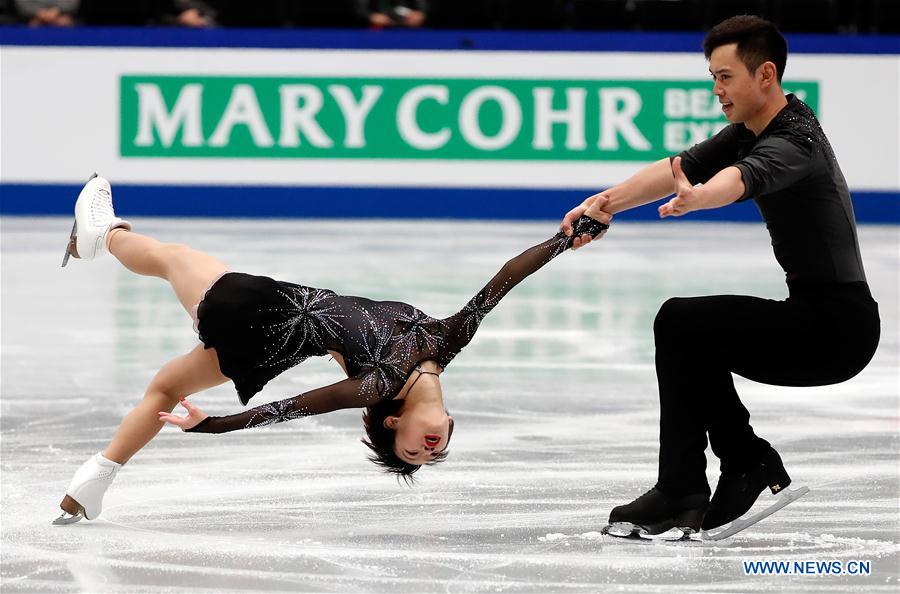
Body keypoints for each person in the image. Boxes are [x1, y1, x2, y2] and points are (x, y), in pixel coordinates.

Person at [54, 174, 609, 525]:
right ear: (452, 424)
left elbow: (296, 406)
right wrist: (566, 238)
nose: (430, 449)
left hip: (265, 312)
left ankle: (103, 233)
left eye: (416, 453)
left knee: (175, 259)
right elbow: (505, 280)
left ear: (393, 424)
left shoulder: (382, 384)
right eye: (435, 453)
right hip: (274, 340)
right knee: (166, 386)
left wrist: (213, 427)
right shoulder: (446, 341)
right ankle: (94, 482)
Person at [561, 15, 880, 538]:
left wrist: (700, 198)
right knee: (686, 330)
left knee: (683, 324)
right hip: (818, 316)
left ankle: (730, 467)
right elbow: (679, 167)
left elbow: (741, 178)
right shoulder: (751, 131)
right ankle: (694, 483)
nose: (716, 89)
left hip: (837, 330)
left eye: (726, 76)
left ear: (766, 74)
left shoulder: (795, 139)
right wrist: (603, 205)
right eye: (713, 76)